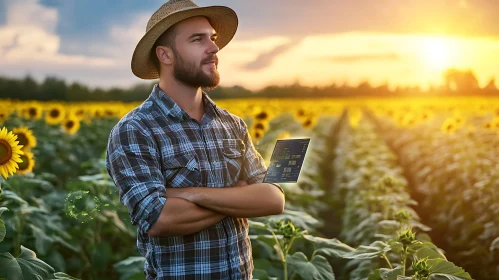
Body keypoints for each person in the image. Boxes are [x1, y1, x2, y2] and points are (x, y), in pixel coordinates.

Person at [105, 0, 286, 279]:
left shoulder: (232, 124)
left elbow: (273, 198)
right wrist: (238, 197)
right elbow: (159, 219)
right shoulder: (136, 130)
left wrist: (191, 194)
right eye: (197, 39)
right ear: (165, 55)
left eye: (212, 38)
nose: (214, 48)